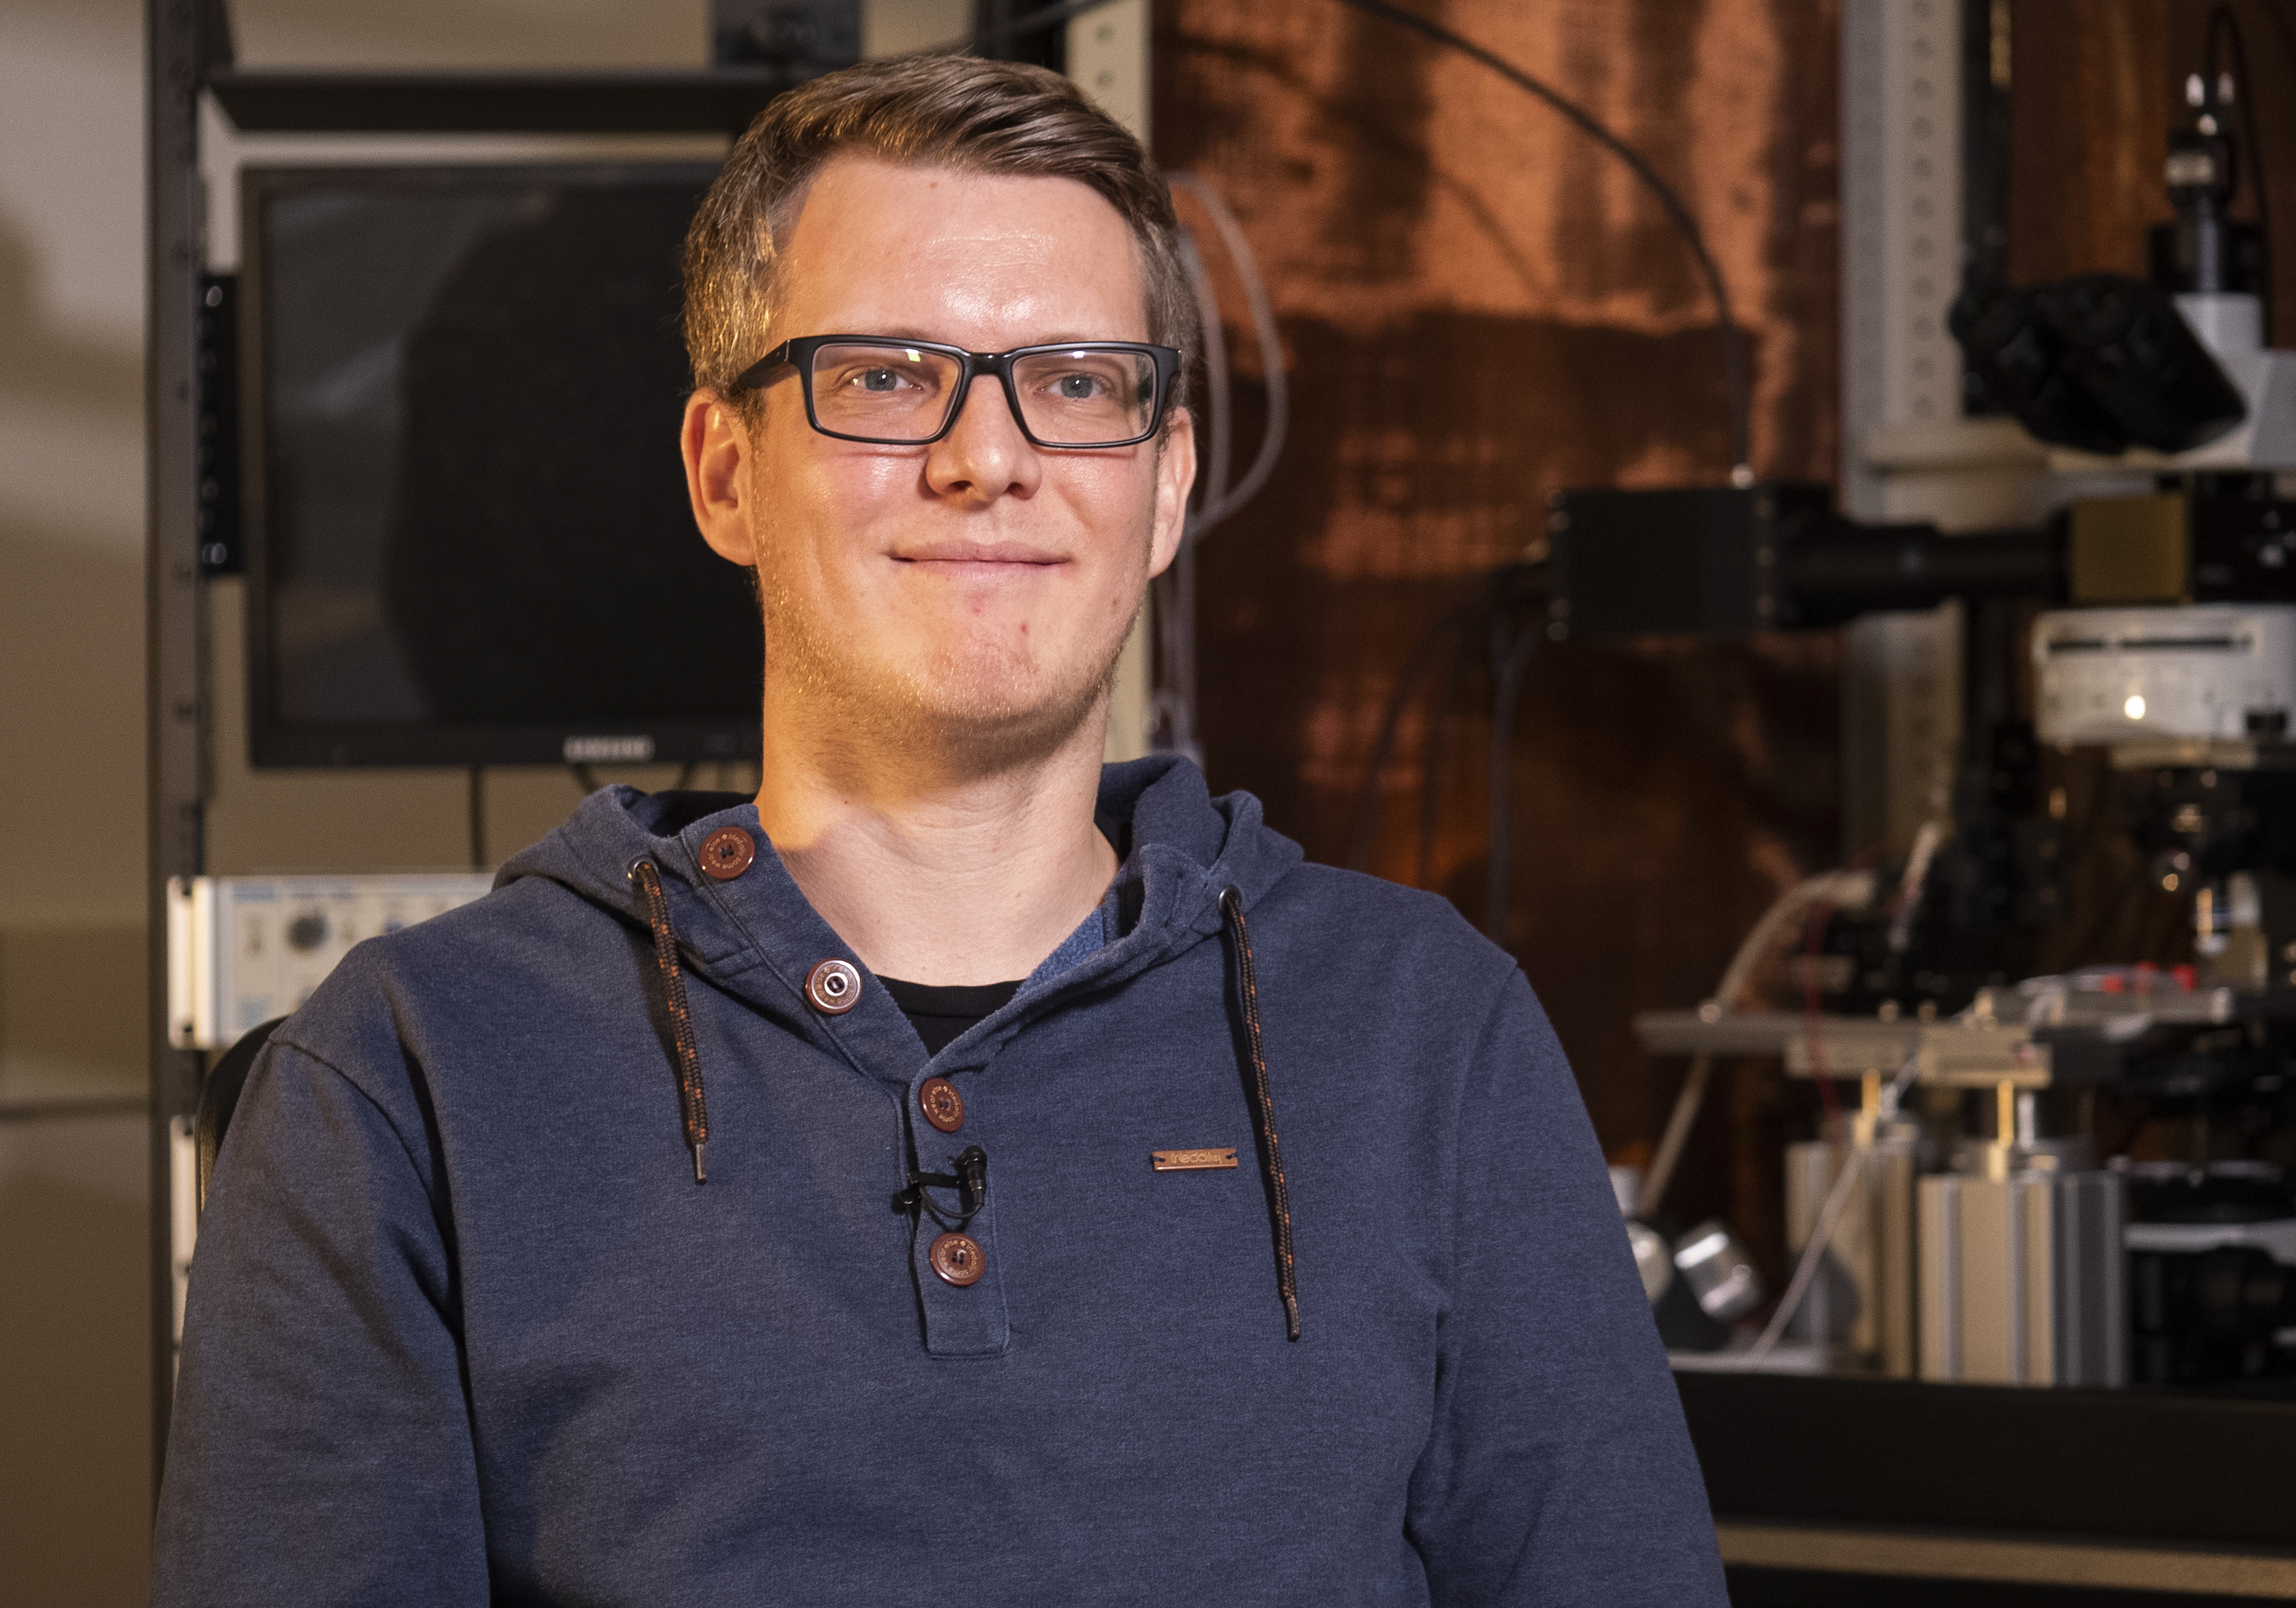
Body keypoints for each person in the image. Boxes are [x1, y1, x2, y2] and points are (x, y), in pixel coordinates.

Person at [152, 55, 1725, 1606]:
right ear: (725, 474)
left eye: (1078, 383)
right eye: (888, 377)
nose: (991, 458)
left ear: (1166, 484)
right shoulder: (411, 1074)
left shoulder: (1425, 1032)